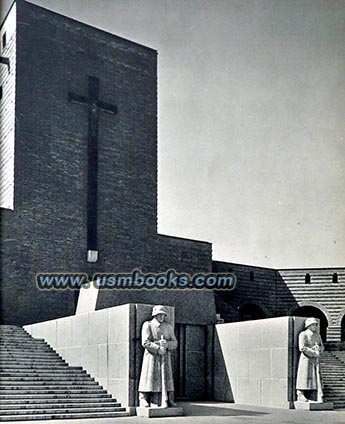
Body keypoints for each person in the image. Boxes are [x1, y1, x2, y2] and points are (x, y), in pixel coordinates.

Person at [138, 305, 178, 408]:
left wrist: (167, 345)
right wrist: (157, 348)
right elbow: (145, 342)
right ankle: (144, 398)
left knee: (167, 378)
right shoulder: (148, 325)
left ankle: (168, 398)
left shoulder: (168, 327)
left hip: (165, 355)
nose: (161, 317)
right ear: (154, 315)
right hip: (151, 356)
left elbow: (175, 343)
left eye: (163, 315)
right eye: (159, 315)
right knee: (149, 377)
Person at [296, 317, 324, 402]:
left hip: (315, 359)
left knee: (314, 377)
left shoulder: (317, 336)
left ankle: (313, 394)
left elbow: (322, 346)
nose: (316, 326)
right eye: (314, 324)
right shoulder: (303, 334)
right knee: (304, 376)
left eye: (316, 324)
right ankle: (300, 393)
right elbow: (302, 347)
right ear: (309, 325)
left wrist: (319, 349)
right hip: (306, 358)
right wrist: (313, 352)